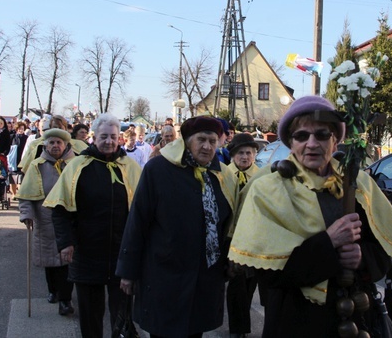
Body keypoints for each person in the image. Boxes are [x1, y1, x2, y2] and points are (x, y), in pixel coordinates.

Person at [229, 96, 392, 337]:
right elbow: (269, 275)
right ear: (290, 143)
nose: (312, 144)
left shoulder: (357, 184)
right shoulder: (267, 189)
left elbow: (383, 253)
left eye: (322, 135)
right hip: (296, 322)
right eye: (302, 136)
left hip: (356, 321)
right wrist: (329, 242)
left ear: (336, 141)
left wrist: (361, 258)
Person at [116, 116, 238, 338]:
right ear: (186, 141)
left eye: (212, 141)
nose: (207, 146)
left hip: (204, 276)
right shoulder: (158, 170)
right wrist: (127, 271)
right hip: (164, 274)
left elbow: (230, 224)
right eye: (201, 139)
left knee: (194, 331)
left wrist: (231, 258)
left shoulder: (223, 175)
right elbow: (138, 221)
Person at [44, 114, 141, 338]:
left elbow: (143, 212)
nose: (109, 141)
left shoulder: (130, 167)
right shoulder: (78, 166)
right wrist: (66, 243)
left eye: (113, 137)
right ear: (93, 137)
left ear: (120, 139)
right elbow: (60, 209)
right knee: (90, 315)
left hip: (121, 254)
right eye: (104, 136)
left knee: (122, 317)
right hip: (86, 253)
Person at [17, 128, 76, 316]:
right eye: (51, 143)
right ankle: (53, 291)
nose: (55, 146)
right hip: (45, 219)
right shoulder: (37, 166)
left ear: (65, 145)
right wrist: (26, 214)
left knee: (66, 261)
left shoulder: (74, 164)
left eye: (59, 142)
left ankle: (65, 300)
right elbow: (26, 195)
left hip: (68, 220)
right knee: (50, 261)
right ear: (45, 145)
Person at [224, 133, 260, 338]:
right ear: (233, 155)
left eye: (248, 153)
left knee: (249, 282)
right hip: (230, 237)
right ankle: (238, 329)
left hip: (252, 238)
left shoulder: (260, 177)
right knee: (236, 283)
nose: (245, 157)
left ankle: (241, 323)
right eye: (240, 153)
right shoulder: (224, 174)